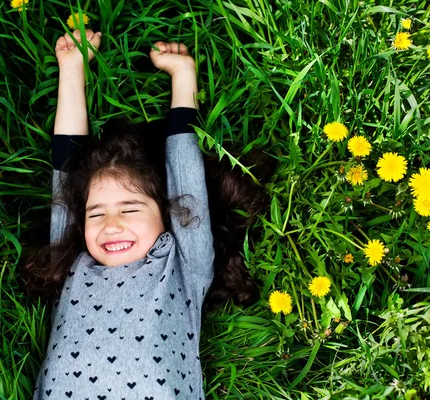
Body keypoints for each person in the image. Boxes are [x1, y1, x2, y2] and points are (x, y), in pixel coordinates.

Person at [24, 28, 273, 399]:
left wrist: (183, 77)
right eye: (95, 214)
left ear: (168, 215)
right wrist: (72, 68)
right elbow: (67, 173)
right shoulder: (72, 261)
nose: (111, 224)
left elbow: (184, 173)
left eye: (130, 207)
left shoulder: (182, 265)